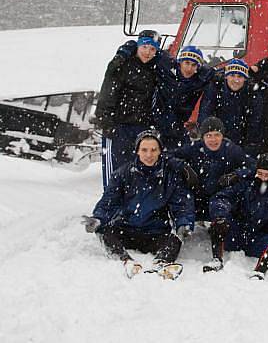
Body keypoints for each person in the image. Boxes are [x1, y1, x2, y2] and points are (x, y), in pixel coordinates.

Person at [81, 130, 194, 279]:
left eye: (153, 150)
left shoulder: (170, 176)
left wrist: (184, 224)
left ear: (160, 151)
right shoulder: (123, 173)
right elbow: (109, 201)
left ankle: (162, 263)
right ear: (137, 151)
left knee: (175, 240)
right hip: (126, 230)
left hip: (156, 233)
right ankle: (125, 260)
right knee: (105, 232)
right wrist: (98, 218)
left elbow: (181, 205)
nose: (149, 155)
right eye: (144, 150)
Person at [172, 117, 256, 271]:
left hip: (221, 197)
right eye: (208, 135)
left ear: (222, 135)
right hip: (197, 195)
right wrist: (184, 167)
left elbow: (252, 166)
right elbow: (168, 157)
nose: (213, 139)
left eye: (217, 135)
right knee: (183, 197)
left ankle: (217, 256)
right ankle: (177, 238)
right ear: (202, 137)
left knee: (219, 206)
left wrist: (236, 174)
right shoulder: (194, 148)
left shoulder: (232, 150)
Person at [208, 153, 268, 280]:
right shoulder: (245, 185)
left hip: (261, 237)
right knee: (219, 223)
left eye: (267, 175)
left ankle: (260, 271)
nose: (263, 178)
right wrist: (221, 214)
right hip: (238, 233)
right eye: (260, 174)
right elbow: (221, 198)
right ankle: (216, 259)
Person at [94, 29, 160, 189]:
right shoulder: (122, 65)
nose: (147, 52)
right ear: (138, 46)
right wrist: (106, 122)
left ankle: (131, 207)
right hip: (119, 125)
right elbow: (107, 94)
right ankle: (110, 207)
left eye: (152, 49)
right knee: (116, 170)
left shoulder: (155, 69)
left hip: (141, 127)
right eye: (144, 47)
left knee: (137, 169)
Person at [152, 45, 215, 149]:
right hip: (156, 125)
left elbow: (222, 74)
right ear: (180, 62)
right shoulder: (166, 67)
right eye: (186, 63)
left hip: (178, 129)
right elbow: (149, 48)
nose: (189, 68)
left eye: (194, 65)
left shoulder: (201, 78)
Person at [199, 58, 263, 156]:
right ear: (226, 76)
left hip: (241, 143)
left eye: (240, 76)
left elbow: (254, 125)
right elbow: (205, 116)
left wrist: (245, 152)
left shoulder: (252, 94)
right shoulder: (215, 88)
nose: (236, 80)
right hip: (216, 141)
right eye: (232, 75)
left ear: (245, 78)